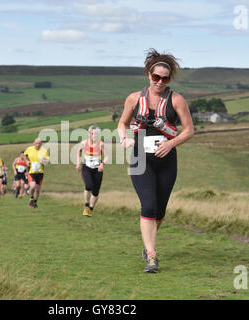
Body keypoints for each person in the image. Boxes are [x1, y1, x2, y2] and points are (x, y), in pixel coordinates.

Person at [118, 49, 194, 273]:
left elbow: (189, 131)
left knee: (159, 211)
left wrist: (171, 144)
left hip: (167, 159)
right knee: (148, 205)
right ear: (148, 75)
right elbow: (122, 123)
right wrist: (123, 138)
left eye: (165, 78)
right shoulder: (133, 98)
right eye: (156, 77)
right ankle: (152, 256)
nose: (160, 81)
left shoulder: (177, 100)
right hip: (141, 157)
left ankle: (148, 242)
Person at [76, 126, 108, 217]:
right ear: (89, 134)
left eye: (96, 134)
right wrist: (78, 163)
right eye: (92, 133)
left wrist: (102, 164)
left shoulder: (101, 144)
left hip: (97, 169)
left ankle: (90, 209)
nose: (93, 135)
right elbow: (78, 152)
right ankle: (86, 206)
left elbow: (106, 156)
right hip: (87, 167)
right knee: (88, 185)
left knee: (95, 191)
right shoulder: (84, 143)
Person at [24, 138, 50, 209]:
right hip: (31, 172)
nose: (38, 145)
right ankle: (31, 198)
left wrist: (43, 160)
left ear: (41, 144)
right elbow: (24, 155)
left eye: (39, 143)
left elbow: (48, 161)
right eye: (36, 143)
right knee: (32, 186)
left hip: (40, 173)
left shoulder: (44, 151)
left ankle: (35, 202)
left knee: (38, 190)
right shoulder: (29, 149)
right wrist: (26, 161)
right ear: (34, 143)